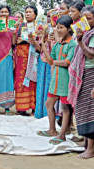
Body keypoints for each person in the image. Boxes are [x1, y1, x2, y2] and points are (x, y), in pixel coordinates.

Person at [37, 16, 76, 145]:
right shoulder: (58, 44)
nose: (59, 30)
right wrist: (43, 47)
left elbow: (67, 62)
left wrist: (53, 61)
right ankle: (52, 130)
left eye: (61, 28)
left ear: (69, 28)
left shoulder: (72, 44)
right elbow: (50, 60)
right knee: (49, 103)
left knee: (65, 108)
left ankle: (62, 134)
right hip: (56, 79)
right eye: (57, 27)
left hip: (66, 80)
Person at [68, 6, 94, 159]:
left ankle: (91, 148)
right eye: (85, 19)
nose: (86, 22)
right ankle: (86, 144)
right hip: (83, 74)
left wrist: (80, 42)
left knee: (90, 112)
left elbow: (91, 54)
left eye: (89, 18)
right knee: (83, 110)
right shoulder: (86, 34)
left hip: (91, 74)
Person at [13, 5, 40, 116]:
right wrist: (16, 36)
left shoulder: (39, 27)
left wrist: (32, 41)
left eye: (30, 12)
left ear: (35, 15)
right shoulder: (20, 26)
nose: (27, 13)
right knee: (20, 81)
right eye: (26, 11)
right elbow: (14, 42)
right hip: (21, 57)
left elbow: (41, 44)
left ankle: (34, 107)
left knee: (33, 81)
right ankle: (21, 108)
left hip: (33, 57)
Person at [0, 5, 15, 115]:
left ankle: (7, 107)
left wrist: (14, 33)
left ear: (9, 13)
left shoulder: (12, 25)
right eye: (2, 12)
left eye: (6, 12)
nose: (4, 14)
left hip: (7, 54)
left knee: (7, 79)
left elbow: (13, 42)